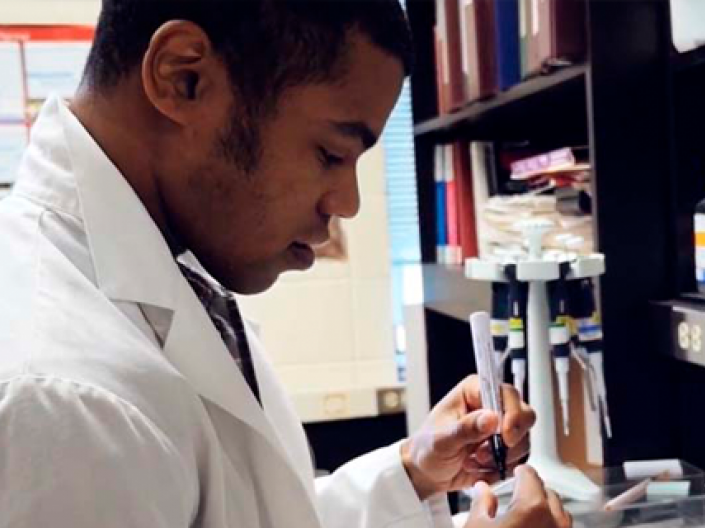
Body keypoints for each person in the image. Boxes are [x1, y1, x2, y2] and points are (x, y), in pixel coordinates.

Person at [0, 1, 571, 527]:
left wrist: (411, 471)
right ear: (183, 77)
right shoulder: (60, 395)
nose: (346, 203)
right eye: (330, 154)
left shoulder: (167, 269)